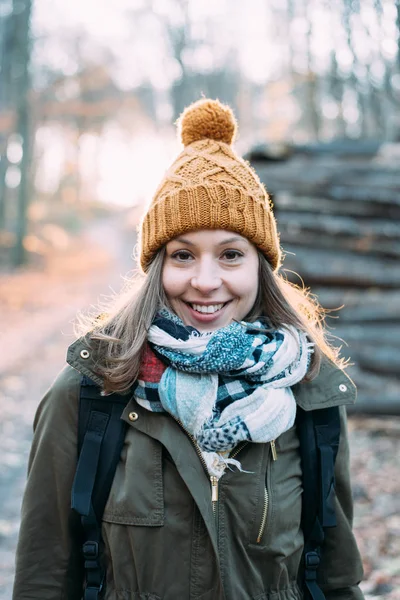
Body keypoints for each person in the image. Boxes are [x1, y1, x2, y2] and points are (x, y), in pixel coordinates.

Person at [13, 98, 365, 600]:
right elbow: (43, 578)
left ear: (259, 267)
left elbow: (336, 578)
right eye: (182, 255)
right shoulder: (91, 391)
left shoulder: (310, 390)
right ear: (156, 268)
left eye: (230, 255)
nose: (206, 281)